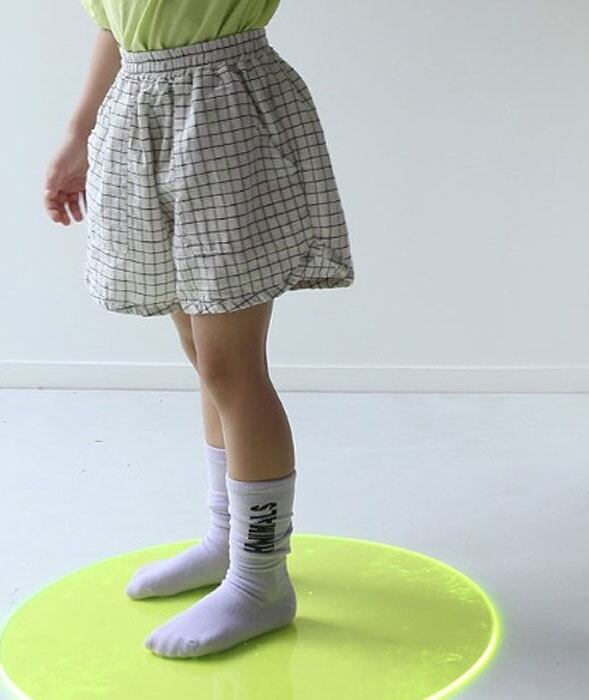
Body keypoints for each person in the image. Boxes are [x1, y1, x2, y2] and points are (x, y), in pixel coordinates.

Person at [43, 0, 355, 659]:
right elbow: (113, 27)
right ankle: (227, 540)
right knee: (202, 355)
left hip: (225, 109)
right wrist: (77, 131)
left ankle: (261, 581)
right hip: (140, 110)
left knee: (230, 366)